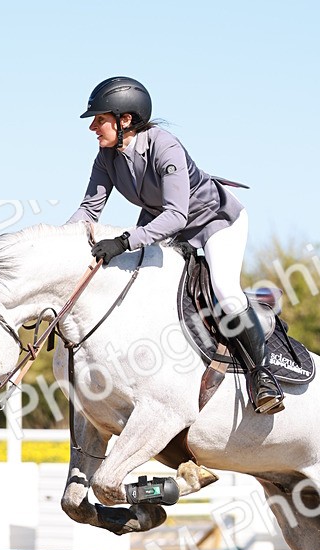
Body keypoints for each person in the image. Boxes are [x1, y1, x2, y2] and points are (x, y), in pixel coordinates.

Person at [66, 76, 284, 415]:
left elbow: (177, 215)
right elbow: (89, 211)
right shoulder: (107, 157)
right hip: (163, 224)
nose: (93, 127)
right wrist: (57, 245)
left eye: (100, 118)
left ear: (126, 120)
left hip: (214, 220)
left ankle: (263, 375)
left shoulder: (164, 145)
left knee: (225, 292)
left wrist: (124, 240)